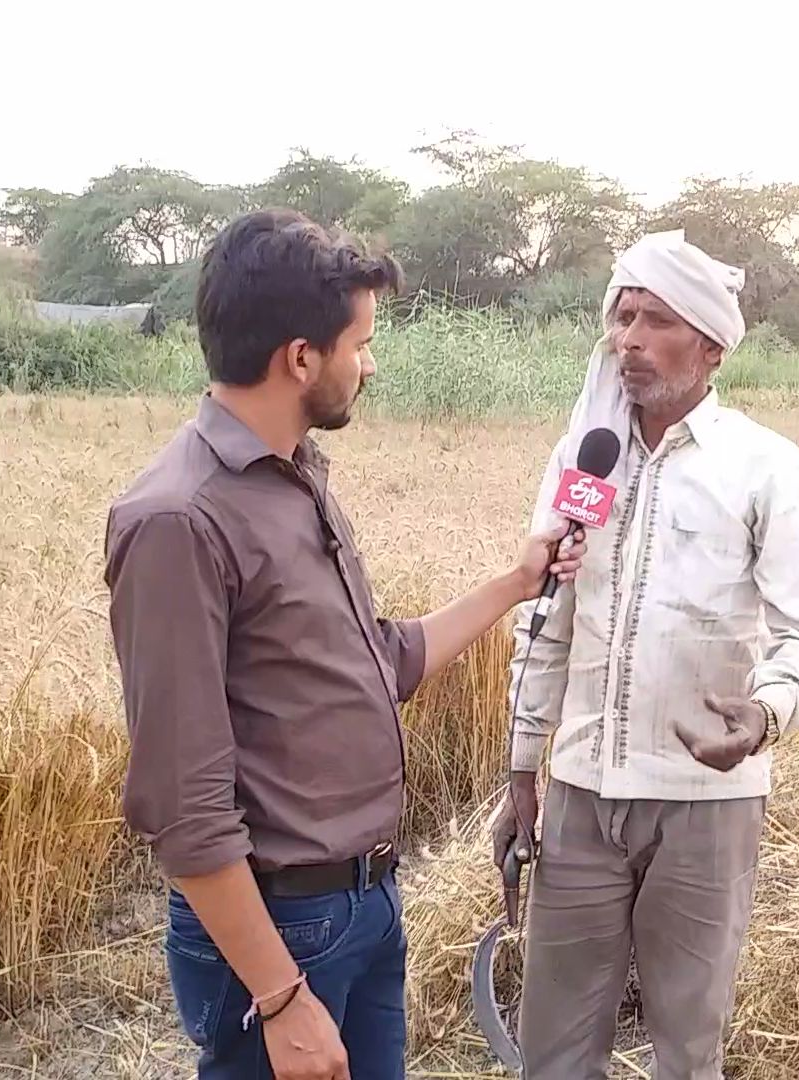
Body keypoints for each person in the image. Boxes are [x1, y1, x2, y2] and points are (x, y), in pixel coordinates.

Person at [103, 208, 582, 1080]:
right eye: (360, 344)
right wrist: (280, 998)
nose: (370, 364)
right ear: (299, 358)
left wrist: (518, 584)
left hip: (364, 905)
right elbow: (184, 805)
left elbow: (380, 662)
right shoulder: (180, 519)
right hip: (284, 936)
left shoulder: (296, 480)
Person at [493, 230, 799, 1080]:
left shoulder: (765, 468)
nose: (628, 340)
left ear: (710, 346)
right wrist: (522, 773)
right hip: (580, 793)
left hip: (705, 804)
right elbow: (546, 620)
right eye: (622, 317)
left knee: (687, 1049)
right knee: (555, 1052)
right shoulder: (586, 457)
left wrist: (762, 716)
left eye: (654, 322)